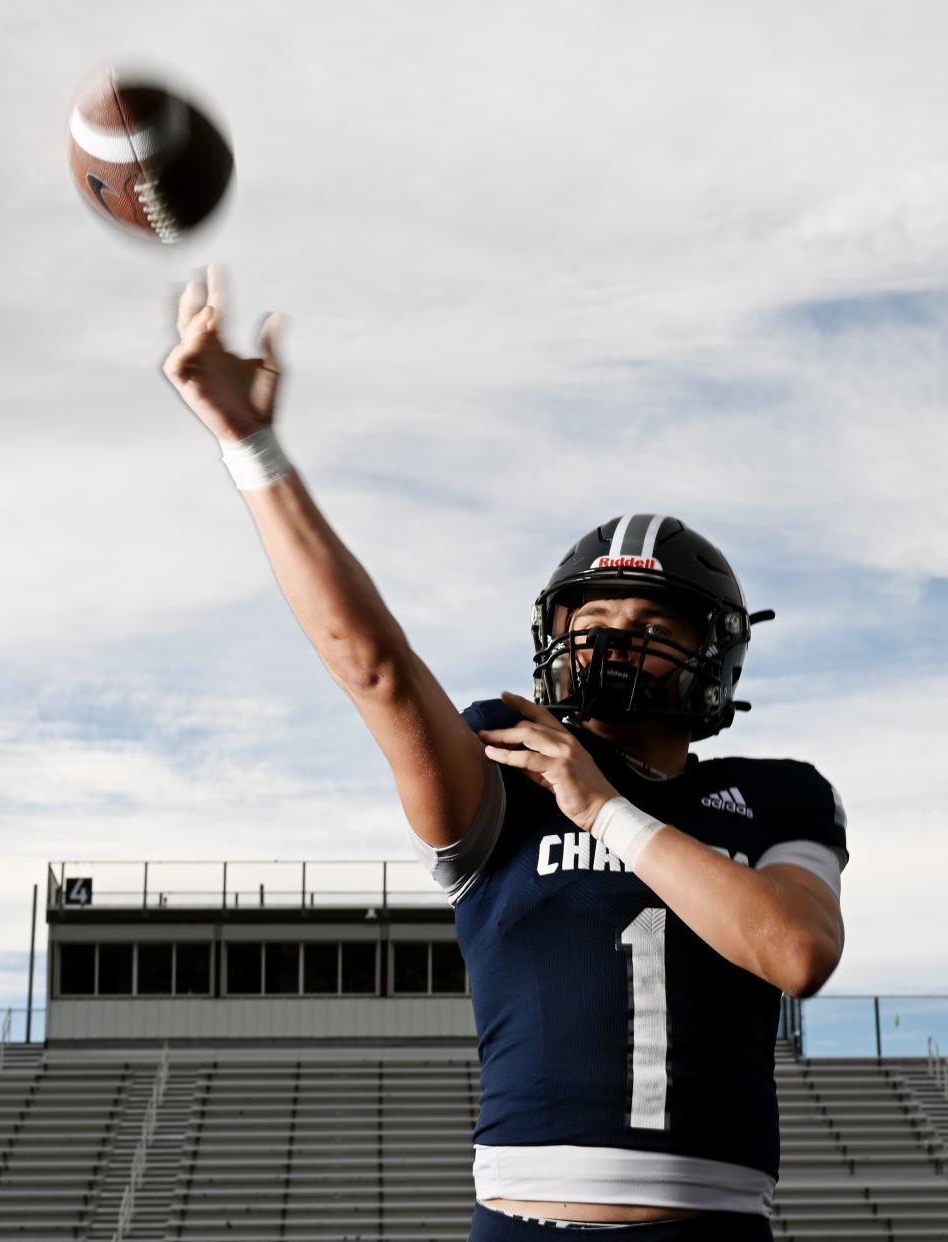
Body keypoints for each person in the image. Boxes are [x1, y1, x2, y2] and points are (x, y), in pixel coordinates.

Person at [163, 267, 848, 1242]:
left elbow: (796, 951)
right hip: (521, 1221)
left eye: (649, 623)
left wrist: (606, 811)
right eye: (595, 616)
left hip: (715, 1222)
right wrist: (251, 444)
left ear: (713, 659)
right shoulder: (510, 751)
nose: (612, 637)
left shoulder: (776, 795)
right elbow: (375, 667)